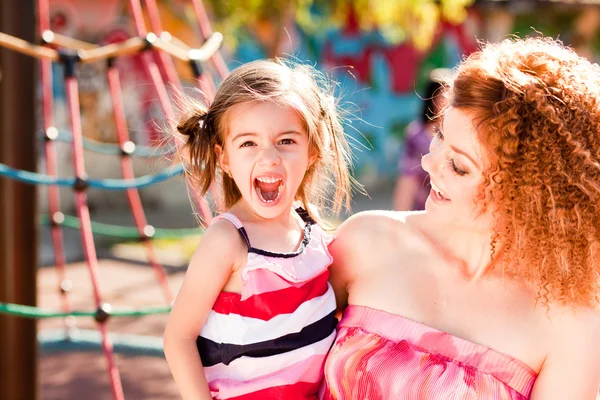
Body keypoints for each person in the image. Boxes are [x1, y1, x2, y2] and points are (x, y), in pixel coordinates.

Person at [322, 37, 600, 399]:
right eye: (439, 135)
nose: (428, 162)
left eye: (458, 166)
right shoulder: (366, 241)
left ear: (528, 195)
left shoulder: (570, 323)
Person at [163, 59, 353, 400]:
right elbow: (178, 338)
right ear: (224, 158)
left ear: (312, 149)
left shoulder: (312, 234)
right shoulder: (229, 241)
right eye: (248, 143)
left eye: (286, 141)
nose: (268, 157)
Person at [393, 71, 448, 211]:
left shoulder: (460, 132)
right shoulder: (417, 134)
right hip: (423, 207)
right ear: (431, 98)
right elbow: (408, 178)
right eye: (442, 96)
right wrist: (401, 217)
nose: (446, 100)